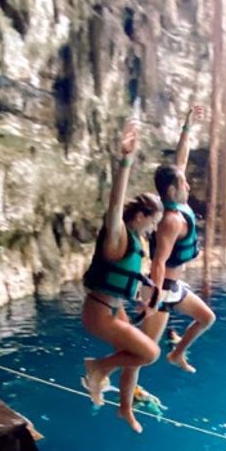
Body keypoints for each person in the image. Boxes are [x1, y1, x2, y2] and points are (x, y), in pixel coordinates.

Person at [81, 118, 164, 433]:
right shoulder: (117, 235)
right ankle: (97, 367)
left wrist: (146, 293)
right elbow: (115, 204)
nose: (154, 229)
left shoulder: (135, 242)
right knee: (150, 353)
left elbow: (130, 275)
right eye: (152, 222)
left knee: (137, 355)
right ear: (141, 216)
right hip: (100, 312)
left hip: (113, 307)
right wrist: (126, 160)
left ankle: (124, 409)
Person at [137, 103, 215, 374]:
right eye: (184, 183)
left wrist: (187, 126)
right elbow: (158, 262)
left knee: (206, 318)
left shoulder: (173, 202)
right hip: (162, 288)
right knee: (145, 352)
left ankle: (177, 354)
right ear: (173, 189)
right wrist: (154, 300)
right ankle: (101, 371)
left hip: (174, 286)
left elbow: (180, 161)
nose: (189, 185)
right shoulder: (170, 220)